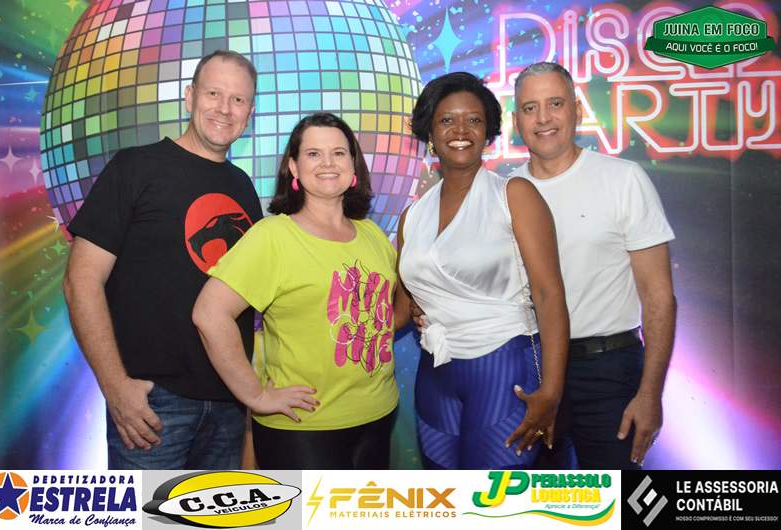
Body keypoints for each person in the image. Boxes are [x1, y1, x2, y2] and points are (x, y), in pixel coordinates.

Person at [64, 50, 265, 469]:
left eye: (238, 99)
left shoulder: (243, 187)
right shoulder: (135, 168)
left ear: (249, 113)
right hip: (153, 408)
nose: (224, 108)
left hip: (229, 407)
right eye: (213, 93)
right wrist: (116, 386)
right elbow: (80, 281)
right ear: (189, 96)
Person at [193, 112, 399, 470]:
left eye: (338, 153)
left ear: (353, 165)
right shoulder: (273, 236)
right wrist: (256, 395)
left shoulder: (373, 235)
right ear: (294, 167)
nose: (328, 163)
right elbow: (209, 314)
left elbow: (382, 311)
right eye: (313, 154)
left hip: (379, 414)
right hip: (304, 427)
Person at [396, 72, 570, 469]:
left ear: (488, 131)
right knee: (446, 496)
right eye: (447, 120)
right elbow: (402, 310)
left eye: (473, 120)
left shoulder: (515, 195)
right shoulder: (412, 216)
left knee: (496, 497)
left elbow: (550, 295)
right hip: (435, 374)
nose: (460, 130)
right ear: (429, 132)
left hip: (503, 370)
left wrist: (552, 390)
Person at [510, 62, 676, 469]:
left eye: (555, 104)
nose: (543, 118)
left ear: (577, 111)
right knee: (534, 498)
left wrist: (650, 394)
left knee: (615, 497)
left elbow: (658, 297)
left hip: (608, 372)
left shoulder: (622, 179)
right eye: (530, 108)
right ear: (516, 122)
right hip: (529, 367)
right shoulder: (503, 192)